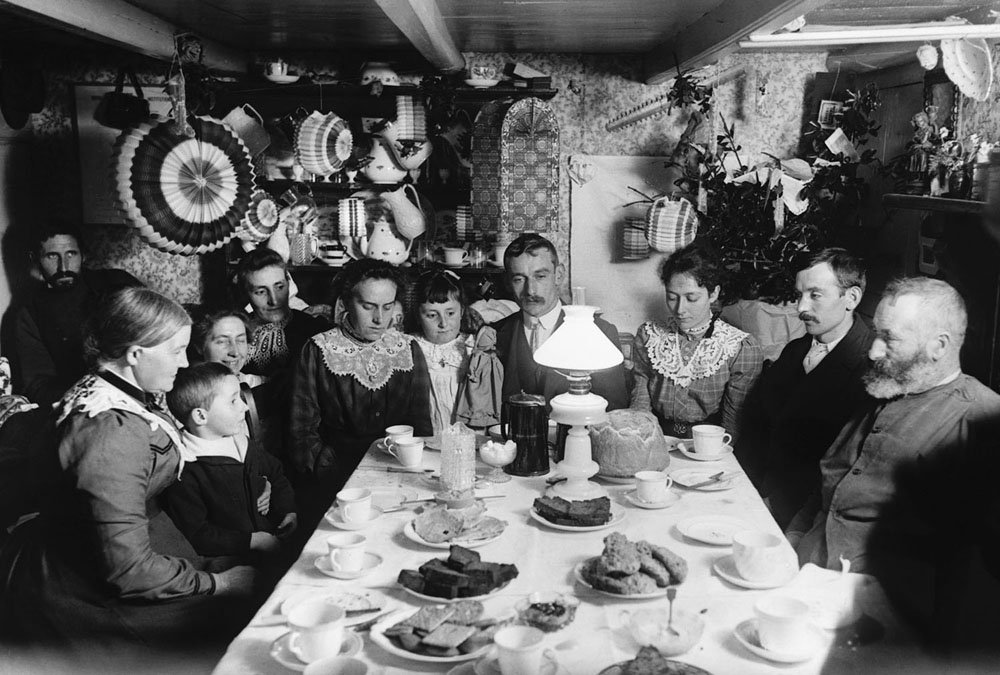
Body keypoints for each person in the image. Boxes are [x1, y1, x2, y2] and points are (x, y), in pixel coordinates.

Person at [0, 287, 255, 656]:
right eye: (176, 351)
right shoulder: (110, 432)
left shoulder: (111, 387)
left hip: (127, 550)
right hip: (83, 592)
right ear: (135, 354)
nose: (184, 363)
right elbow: (129, 570)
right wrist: (219, 584)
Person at [788, 278, 1000, 645]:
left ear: (940, 346)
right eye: (875, 334)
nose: (872, 351)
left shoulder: (983, 419)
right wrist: (789, 541)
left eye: (890, 338)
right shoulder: (883, 389)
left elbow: (974, 577)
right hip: (802, 579)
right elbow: (828, 484)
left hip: (879, 620)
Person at [289, 259, 432, 518]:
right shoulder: (319, 349)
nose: (379, 319)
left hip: (398, 473)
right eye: (368, 306)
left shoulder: (407, 349)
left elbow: (421, 423)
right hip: (338, 478)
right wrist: (329, 471)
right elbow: (302, 432)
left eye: (387, 307)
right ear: (345, 303)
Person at [747, 248, 874, 527]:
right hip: (759, 495)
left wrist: (774, 503)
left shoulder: (871, 365)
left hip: (815, 517)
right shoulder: (795, 350)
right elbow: (757, 423)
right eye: (799, 295)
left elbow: (847, 466)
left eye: (815, 295)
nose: (801, 308)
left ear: (851, 298)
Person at [162, 362, 297, 560]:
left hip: (272, 541)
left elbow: (275, 473)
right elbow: (198, 534)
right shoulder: (186, 469)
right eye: (234, 401)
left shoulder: (241, 442)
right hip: (233, 561)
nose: (244, 407)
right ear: (200, 416)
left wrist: (287, 510)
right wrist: (253, 541)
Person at [631, 244, 763, 441]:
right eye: (672, 297)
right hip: (656, 438)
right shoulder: (650, 336)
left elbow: (733, 419)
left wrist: (720, 452)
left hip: (708, 444)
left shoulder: (739, 347)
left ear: (713, 294)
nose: (680, 309)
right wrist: (641, 437)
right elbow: (640, 398)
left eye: (691, 298)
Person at [10, 221, 140, 407]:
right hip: (86, 403)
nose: (64, 267)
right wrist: (87, 398)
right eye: (52, 256)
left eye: (71, 254)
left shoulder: (116, 282)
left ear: (84, 255)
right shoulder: (29, 314)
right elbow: (37, 384)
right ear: (35, 258)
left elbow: (161, 324)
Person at [494, 233, 628, 410]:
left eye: (540, 276)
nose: (530, 290)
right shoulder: (496, 334)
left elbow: (613, 410)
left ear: (559, 275)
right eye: (519, 279)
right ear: (508, 282)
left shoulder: (600, 332)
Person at [407, 267, 503, 434]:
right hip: (424, 436)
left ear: (462, 312)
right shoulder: (409, 346)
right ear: (418, 315)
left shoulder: (473, 347)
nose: (443, 323)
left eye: (450, 313)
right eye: (431, 315)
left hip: (468, 436)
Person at [236, 247, 326, 393]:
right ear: (245, 293)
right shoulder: (234, 331)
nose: (274, 300)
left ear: (288, 284)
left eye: (279, 287)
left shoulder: (314, 331)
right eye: (261, 292)